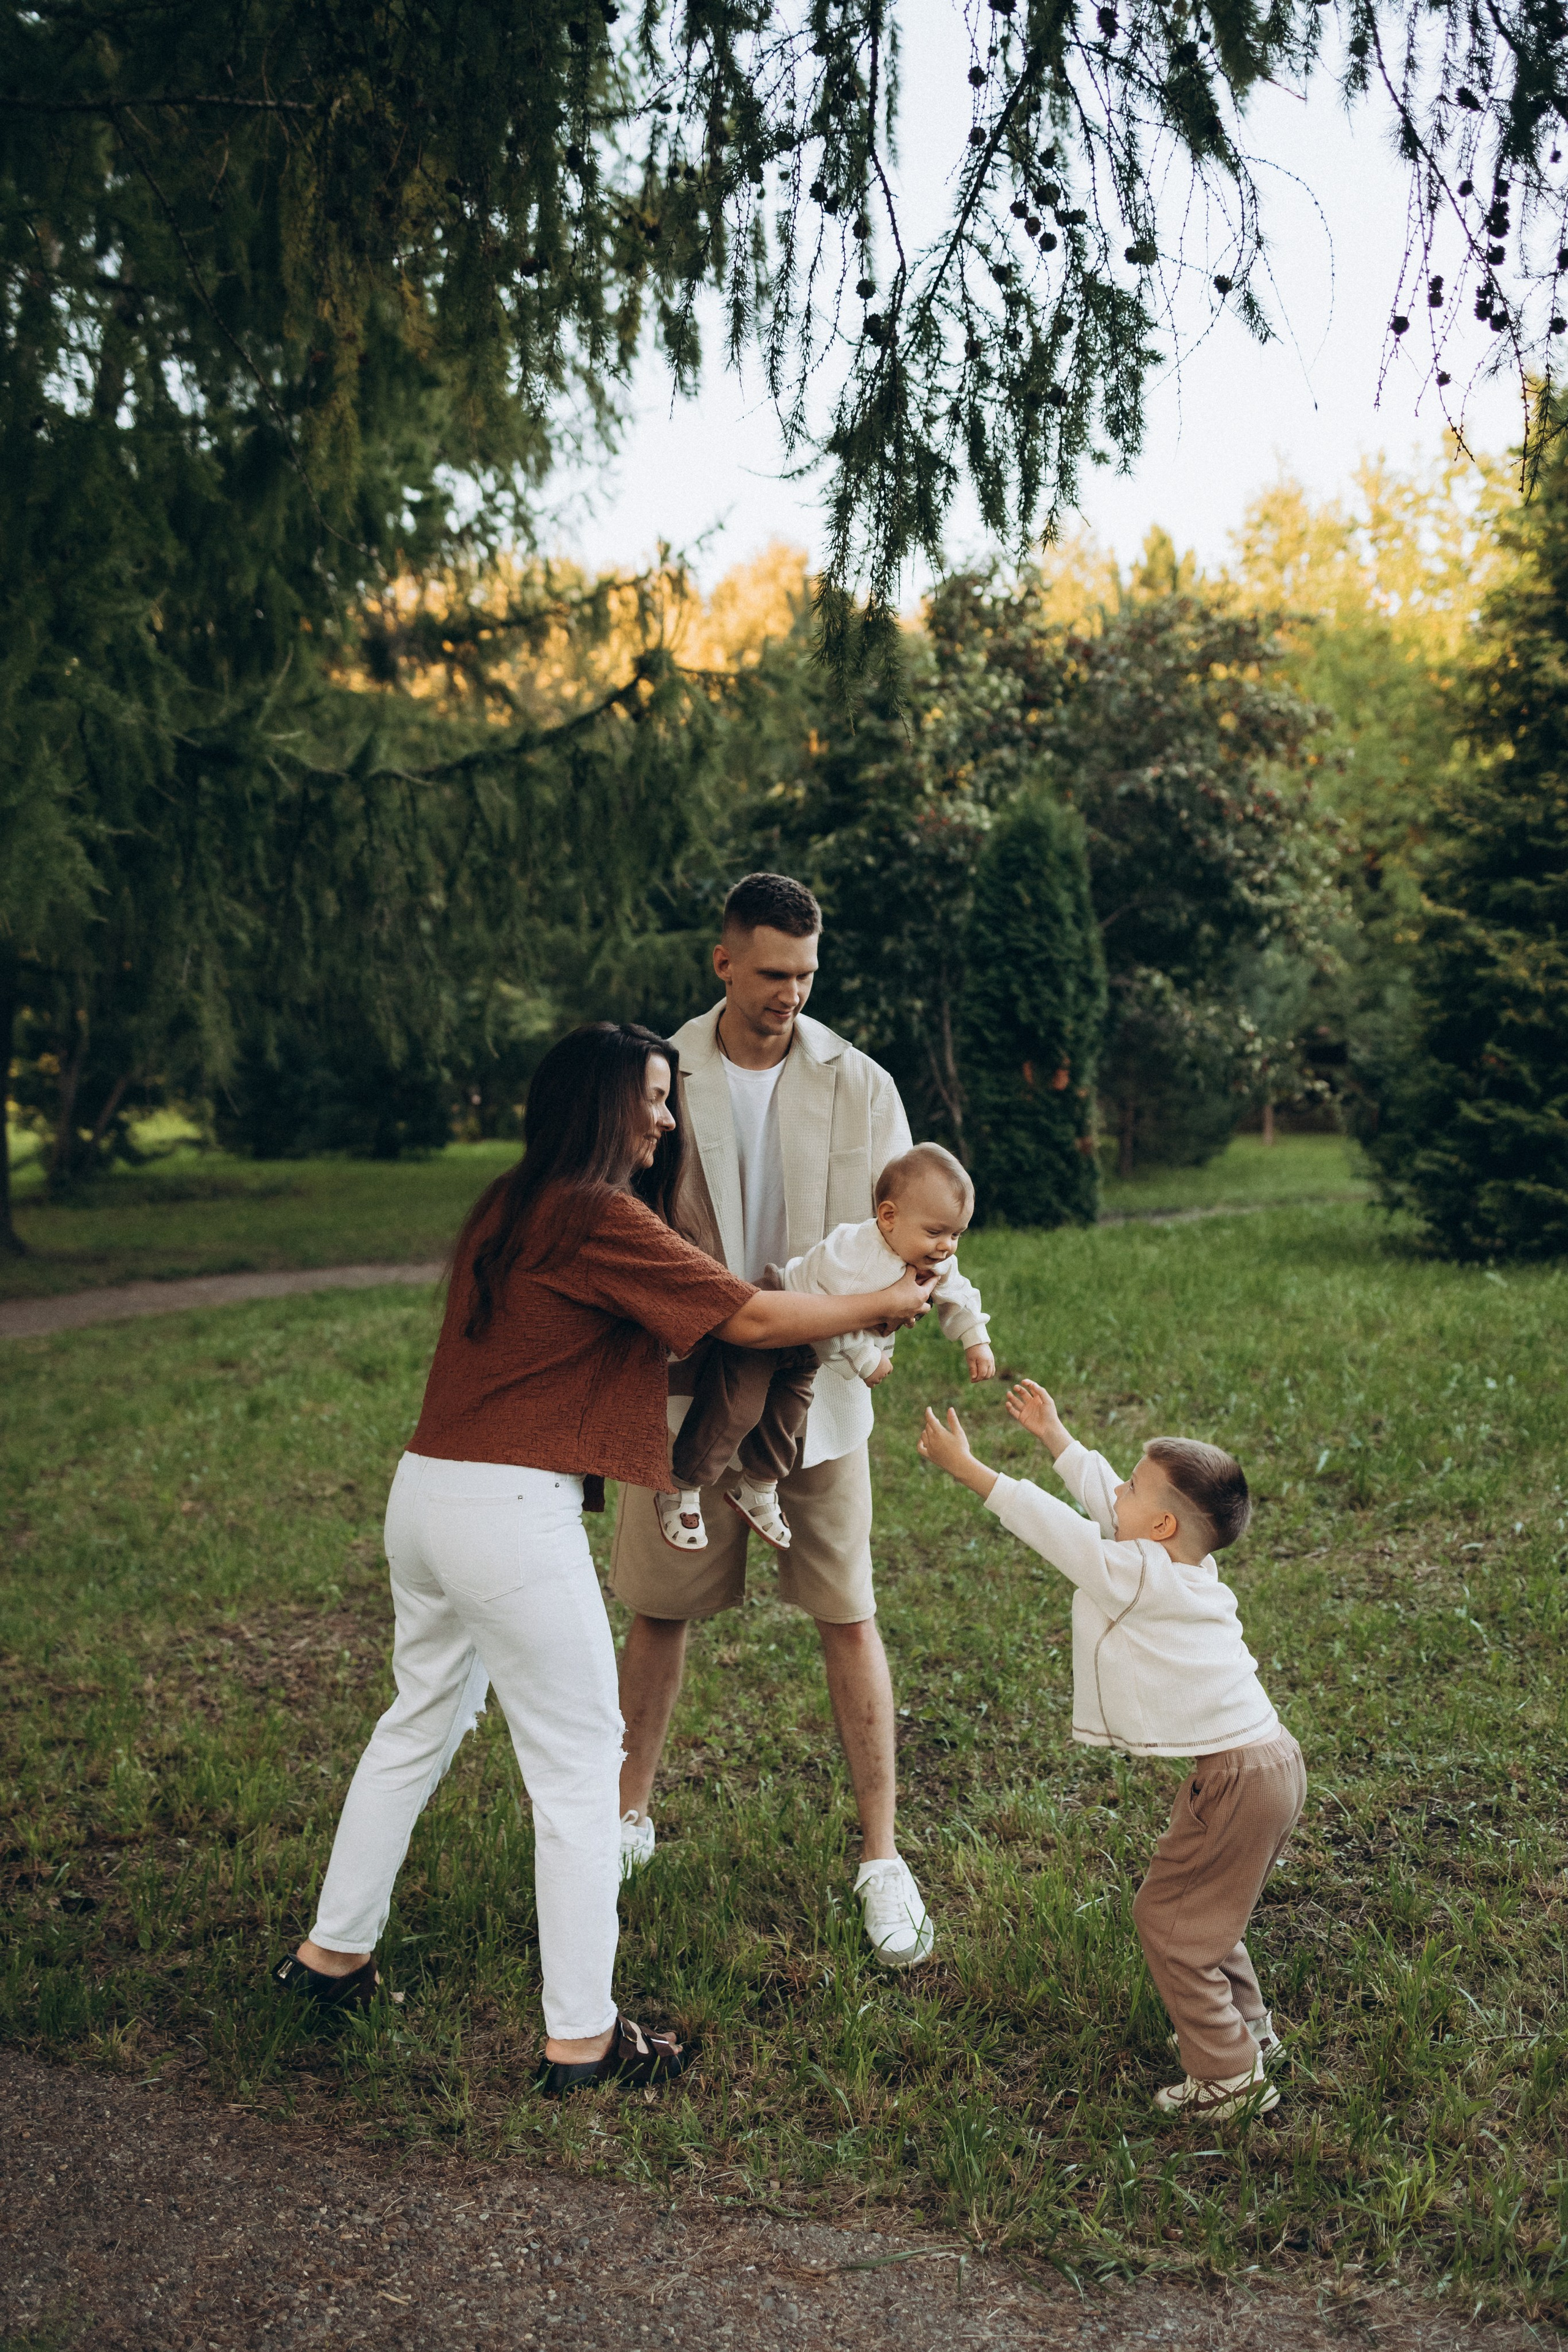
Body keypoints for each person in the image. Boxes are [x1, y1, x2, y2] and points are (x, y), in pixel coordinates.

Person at [270, 1022, 934, 2095]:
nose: (667, 1120)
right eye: (653, 1099)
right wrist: (881, 1302)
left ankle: (330, 1956)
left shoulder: (511, 1202)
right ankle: (582, 2040)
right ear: (599, 1104)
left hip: (426, 1495)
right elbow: (748, 1317)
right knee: (584, 1773)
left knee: (416, 1722)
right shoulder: (595, 1215)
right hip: (508, 1517)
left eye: (671, 1098)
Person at [611, 872, 944, 1970]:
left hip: (820, 1399)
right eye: (769, 973)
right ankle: (625, 1820)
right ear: (723, 963)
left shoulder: (863, 1084)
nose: (790, 994)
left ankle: (882, 1859)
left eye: (805, 974)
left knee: (850, 1615)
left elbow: (916, 1232)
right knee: (658, 1612)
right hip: (683, 1388)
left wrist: (894, 1317)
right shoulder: (660, 1071)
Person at [918, 1378, 1305, 2123]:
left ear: (1160, 1525)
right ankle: (1247, 2031)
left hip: (1238, 1780)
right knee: (1202, 1909)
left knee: (1169, 1922)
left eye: (1130, 1487)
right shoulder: (1183, 1567)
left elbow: (1056, 1528)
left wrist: (968, 1468)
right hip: (1269, 1764)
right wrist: (1055, 1437)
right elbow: (1108, 1504)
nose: (1115, 1494)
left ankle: (1229, 2079)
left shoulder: (1133, 1573)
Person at [659, 1143, 997, 1556]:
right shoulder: (853, 1254)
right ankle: (682, 1486)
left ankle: (758, 1487)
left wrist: (975, 1339)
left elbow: (958, 1292)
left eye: (956, 1234)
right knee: (736, 1407)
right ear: (889, 1217)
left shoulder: (933, 1257)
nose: (947, 1247)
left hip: (805, 1349)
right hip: (779, 1316)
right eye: (936, 1232)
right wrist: (866, 1359)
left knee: (787, 1413)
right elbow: (829, 1316)